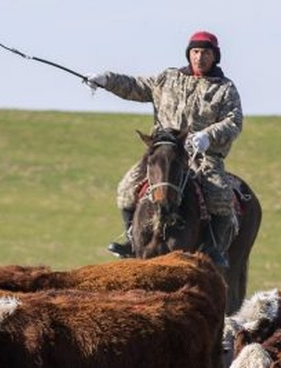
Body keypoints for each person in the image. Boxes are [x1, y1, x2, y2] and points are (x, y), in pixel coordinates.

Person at [86, 30, 243, 268]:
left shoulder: (224, 89)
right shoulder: (168, 78)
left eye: (205, 52)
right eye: (195, 51)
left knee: (221, 197)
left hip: (202, 154)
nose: (199, 57)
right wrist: (105, 80)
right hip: (164, 149)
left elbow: (234, 121)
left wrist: (207, 137)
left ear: (215, 56)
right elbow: (136, 86)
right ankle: (131, 240)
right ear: (189, 54)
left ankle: (214, 248)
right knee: (127, 188)